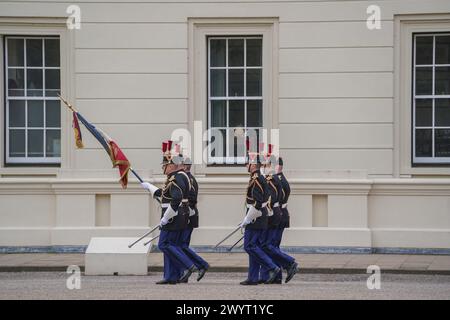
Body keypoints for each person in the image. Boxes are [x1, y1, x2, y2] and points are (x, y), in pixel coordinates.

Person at [140, 140, 197, 285]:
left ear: (171, 165)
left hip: (173, 217)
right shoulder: (178, 176)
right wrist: (150, 187)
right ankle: (172, 276)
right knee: (173, 245)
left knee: (164, 244)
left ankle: (188, 265)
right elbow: (165, 194)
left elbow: (176, 199)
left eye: (165, 165)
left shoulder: (176, 178)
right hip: (179, 216)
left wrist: (165, 218)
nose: (163, 168)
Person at [239, 141, 281, 285]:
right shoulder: (258, 178)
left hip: (256, 217)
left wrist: (246, 220)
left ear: (253, 165)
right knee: (253, 247)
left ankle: (272, 266)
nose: (246, 166)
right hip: (257, 216)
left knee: (250, 246)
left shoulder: (256, 180)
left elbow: (257, 203)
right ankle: (253, 277)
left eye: (247, 163)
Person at [259, 146, 298, 284]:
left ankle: (288, 263)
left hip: (275, 214)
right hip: (280, 214)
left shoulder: (276, 179)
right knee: (273, 246)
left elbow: (272, 199)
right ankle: (276, 276)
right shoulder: (279, 178)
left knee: (268, 245)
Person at [177, 156, 209, 283]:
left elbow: (189, 199)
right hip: (187, 214)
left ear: (185, 166)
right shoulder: (186, 178)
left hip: (188, 215)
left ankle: (201, 265)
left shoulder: (187, 179)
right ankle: (186, 271)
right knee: (181, 245)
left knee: (182, 245)